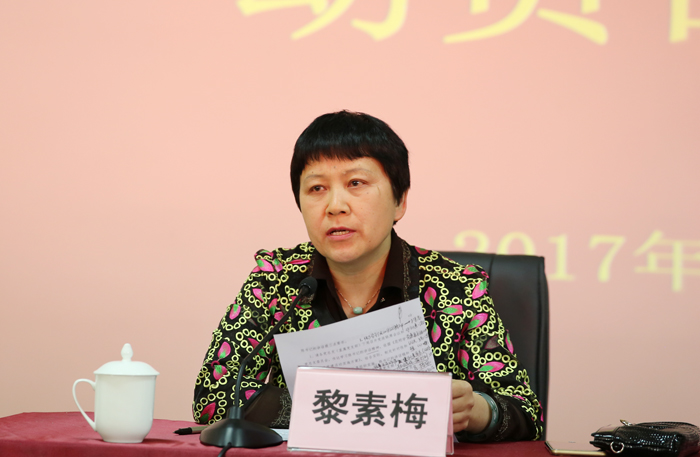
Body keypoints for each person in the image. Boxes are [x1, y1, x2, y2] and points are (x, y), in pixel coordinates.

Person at [193, 111, 544, 441]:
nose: (335, 206)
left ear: (399, 201)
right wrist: (364, 406)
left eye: (356, 183)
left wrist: (478, 411)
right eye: (317, 188)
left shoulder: (458, 287)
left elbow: (526, 413)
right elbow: (215, 395)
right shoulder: (276, 279)